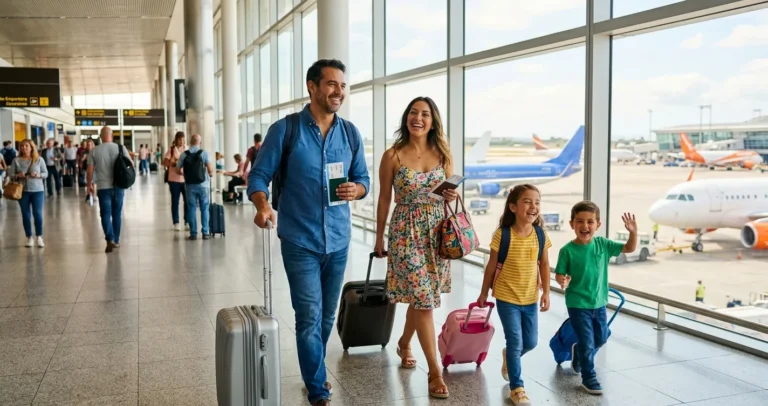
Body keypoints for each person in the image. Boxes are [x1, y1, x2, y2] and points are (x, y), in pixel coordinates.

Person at [248, 59, 369, 406]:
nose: (339, 92)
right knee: (309, 315)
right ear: (312, 87)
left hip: (339, 240)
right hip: (299, 240)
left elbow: (363, 179)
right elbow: (258, 177)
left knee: (328, 316)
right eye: (331, 84)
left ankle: (313, 372)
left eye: (343, 86)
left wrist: (356, 190)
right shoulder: (286, 130)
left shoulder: (350, 133)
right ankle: (317, 388)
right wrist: (262, 205)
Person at [374, 96, 456, 399]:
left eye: (424, 114)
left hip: (436, 233)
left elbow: (449, 194)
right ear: (406, 118)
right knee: (423, 300)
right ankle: (434, 373)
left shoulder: (444, 154)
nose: (418, 118)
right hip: (405, 232)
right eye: (413, 112)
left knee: (422, 297)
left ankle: (405, 342)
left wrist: (449, 197)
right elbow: (384, 198)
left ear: (433, 120)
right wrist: (379, 236)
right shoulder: (392, 155)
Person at [476, 184, 552, 406]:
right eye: (527, 201)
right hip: (506, 296)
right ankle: (517, 388)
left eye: (537, 202)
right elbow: (491, 265)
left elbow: (545, 264)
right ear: (513, 207)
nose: (533, 206)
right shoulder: (503, 234)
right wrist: (483, 293)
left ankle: (509, 356)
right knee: (516, 340)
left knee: (530, 342)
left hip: (530, 298)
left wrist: (546, 292)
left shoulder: (540, 234)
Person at [555, 201, 637, 396]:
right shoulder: (567, 250)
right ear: (572, 224)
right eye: (580, 221)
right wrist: (562, 280)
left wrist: (633, 232)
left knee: (600, 337)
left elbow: (629, 248)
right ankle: (588, 377)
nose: (585, 226)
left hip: (599, 303)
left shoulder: (603, 244)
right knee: (587, 341)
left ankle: (579, 356)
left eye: (590, 222)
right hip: (577, 304)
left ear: (597, 225)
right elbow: (559, 274)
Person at [88, 126, 131, 253]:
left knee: (105, 214)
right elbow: (131, 165)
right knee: (117, 213)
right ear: (112, 136)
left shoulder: (94, 151)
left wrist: (89, 185)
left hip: (102, 187)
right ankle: (116, 241)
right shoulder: (121, 148)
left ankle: (109, 239)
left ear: (101, 137)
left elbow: (90, 170)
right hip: (118, 186)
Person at [7, 139, 48, 247]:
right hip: (22, 191)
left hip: (37, 190)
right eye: (22, 146)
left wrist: (38, 175)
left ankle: (39, 236)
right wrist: (17, 176)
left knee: (37, 214)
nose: (24, 148)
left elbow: (45, 173)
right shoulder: (16, 160)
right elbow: (11, 175)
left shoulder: (39, 159)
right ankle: (29, 237)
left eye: (26, 146)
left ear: (31, 147)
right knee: (25, 214)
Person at [176, 133, 215, 240]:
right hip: (203, 185)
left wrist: (184, 174)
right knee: (204, 208)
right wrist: (210, 174)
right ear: (200, 142)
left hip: (190, 186)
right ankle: (205, 232)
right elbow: (210, 169)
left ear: (190, 141)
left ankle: (193, 233)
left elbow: (177, 170)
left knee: (191, 208)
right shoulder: (204, 153)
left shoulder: (184, 154)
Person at [164, 132, 189, 231]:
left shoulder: (187, 149)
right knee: (175, 201)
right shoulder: (171, 149)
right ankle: (176, 222)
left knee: (187, 201)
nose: (181, 141)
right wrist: (174, 162)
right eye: (179, 139)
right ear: (176, 139)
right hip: (173, 180)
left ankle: (187, 221)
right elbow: (165, 162)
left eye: (183, 139)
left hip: (185, 179)